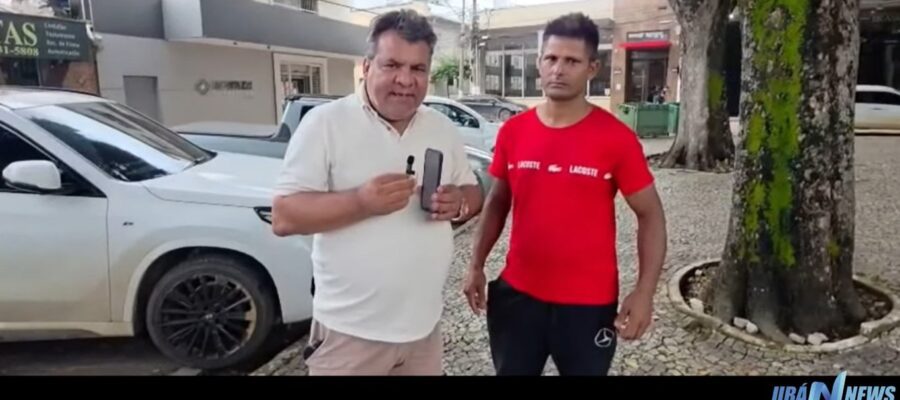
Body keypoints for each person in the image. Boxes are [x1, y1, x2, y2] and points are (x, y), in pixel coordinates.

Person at [272, 9, 483, 376]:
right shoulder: (325, 124)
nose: (406, 80)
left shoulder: (442, 128)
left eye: (418, 69)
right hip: (350, 335)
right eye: (392, 65)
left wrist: (460, 202)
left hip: (424, 330)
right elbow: (284, 216)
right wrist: (361, 202)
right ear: (367, 67)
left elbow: (472, 192)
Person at [462, 13, 668, 376]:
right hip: (518, 297)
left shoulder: (616, 139)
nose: (558, 69)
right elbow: (497, 202)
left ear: (592, 68)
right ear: (540, 63)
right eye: (551, 58)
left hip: (588, 306)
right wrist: (476, 264)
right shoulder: (514, 132)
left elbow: (650, 214)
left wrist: (644, 292)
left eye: (571, 61)